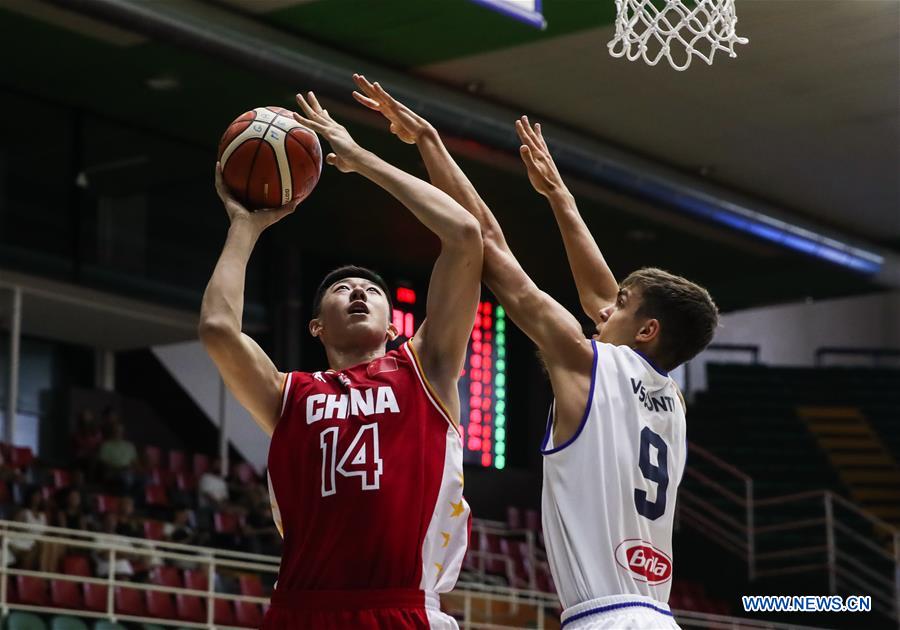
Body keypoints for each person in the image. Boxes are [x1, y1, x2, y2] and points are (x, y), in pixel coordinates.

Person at [354, 76, 719, 630]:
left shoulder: (587, 362)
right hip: (658, 617)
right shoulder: (670, 399)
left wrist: (428, 140)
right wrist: (559, 198)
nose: (602, 310)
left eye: (619, 307)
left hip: (604, 619)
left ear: (645, 330)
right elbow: (602, 296)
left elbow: (490, 243)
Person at [199, 87, 482, 629]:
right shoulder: (290, 394)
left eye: (370, 290)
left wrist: (360, 159)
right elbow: (217, 328)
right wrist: (245, 226)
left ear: (391, 319)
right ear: (316, 326)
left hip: (397, 607)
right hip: (300, 610)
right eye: (343, 288)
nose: (359, 293)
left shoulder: (426, 368)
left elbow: (464, 235)